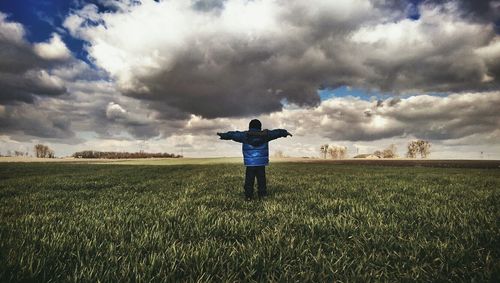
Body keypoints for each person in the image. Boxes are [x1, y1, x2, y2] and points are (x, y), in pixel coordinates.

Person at [217, 119, 292, 200]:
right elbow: (276, 133)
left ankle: (249, 196)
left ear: (250, 127)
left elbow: (233, 135)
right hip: (261, 163)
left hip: (250, 163)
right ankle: (262, 196)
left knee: (249, 180)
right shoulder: (266, 134)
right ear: (260, 127)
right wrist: (285, 133)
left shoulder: (244, 135)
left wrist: (223, 135)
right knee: (261, 180)